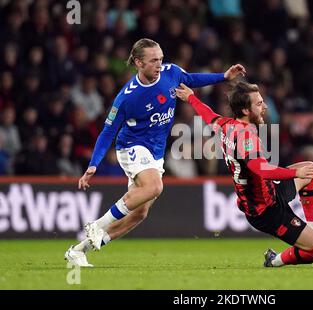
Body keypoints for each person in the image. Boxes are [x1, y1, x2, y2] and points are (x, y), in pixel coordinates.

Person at [65, 38, 246, 267]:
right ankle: (97, 225)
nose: (159, 64)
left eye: (160, 59)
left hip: (155, 153)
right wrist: (93, 164)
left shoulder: (171, 72)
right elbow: (107, 131)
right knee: (154, 186)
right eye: (153, 61)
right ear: (139, 63)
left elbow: (191, 79)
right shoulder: (127, 97)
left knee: (140, 213)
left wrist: (224, 77)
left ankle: (79, 251)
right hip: (132, 146)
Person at [175, 82, 313, 267]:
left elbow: (208, 115)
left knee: (311, 170)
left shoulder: (226, 125)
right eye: (260, 104)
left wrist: (191, 97)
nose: (265, 107)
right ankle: (275, 260)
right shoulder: (245, 137)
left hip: (270, 191)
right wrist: (295, 172)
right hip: (266, 211)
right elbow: (260, 168)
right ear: (246, 110)